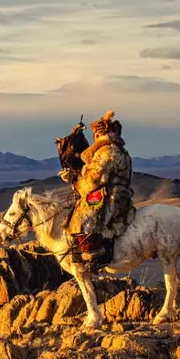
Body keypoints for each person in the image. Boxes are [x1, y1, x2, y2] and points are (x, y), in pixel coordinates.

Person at [59, 109, 135, 262]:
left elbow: (95, 178)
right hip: (121, 194)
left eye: (95, 135)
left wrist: (78, 183)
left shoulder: (107, 151)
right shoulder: (121, 151)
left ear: (99, 134)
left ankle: (93, 254)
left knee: (82, 219)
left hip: (111, 196)